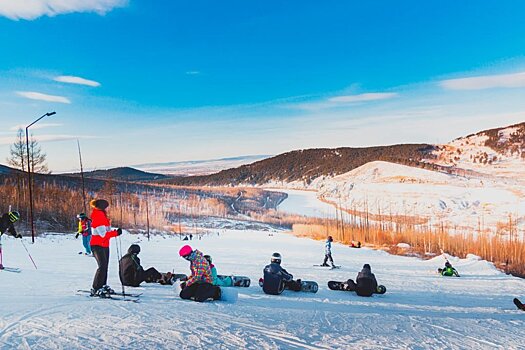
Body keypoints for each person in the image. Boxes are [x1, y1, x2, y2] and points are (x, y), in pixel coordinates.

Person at [89, 199, 122, 297]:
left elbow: (106, 231)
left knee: (104, 267)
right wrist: (116, 233)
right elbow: (103, 234)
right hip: (97, 245)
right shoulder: (98, 216)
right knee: (102, 266)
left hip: (104, 245)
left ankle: (102, 285)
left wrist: (114, 232)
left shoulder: (102, 216)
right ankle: (96, 288)